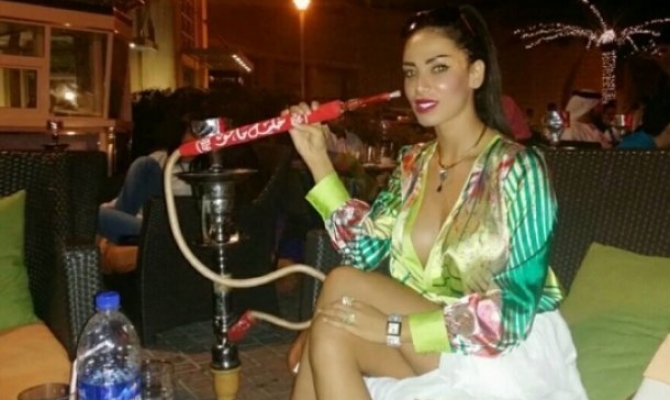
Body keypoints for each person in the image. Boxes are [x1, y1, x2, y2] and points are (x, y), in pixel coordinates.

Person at [284, 4, 587, 400]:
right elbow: (363, 251)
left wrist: (394, 329)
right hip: (431, 337)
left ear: (475, 73)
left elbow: (513, 313)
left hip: (503, 350)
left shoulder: (518, 169)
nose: (419, 86)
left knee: (333, 309)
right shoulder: (413, 164)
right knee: (331, 321)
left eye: (438, 68)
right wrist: (317, 160)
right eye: (411, 72)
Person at [97, 119, 196, 273]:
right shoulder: (160, 158)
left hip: (164, 227)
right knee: (143, 164)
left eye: (202, 134)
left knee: (93, 217)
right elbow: (128, 194)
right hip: (133, 220)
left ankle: (110, 241)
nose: (196, 138)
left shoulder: (204, 170)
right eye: (191, 132)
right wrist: (110, 211)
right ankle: (113, 240)